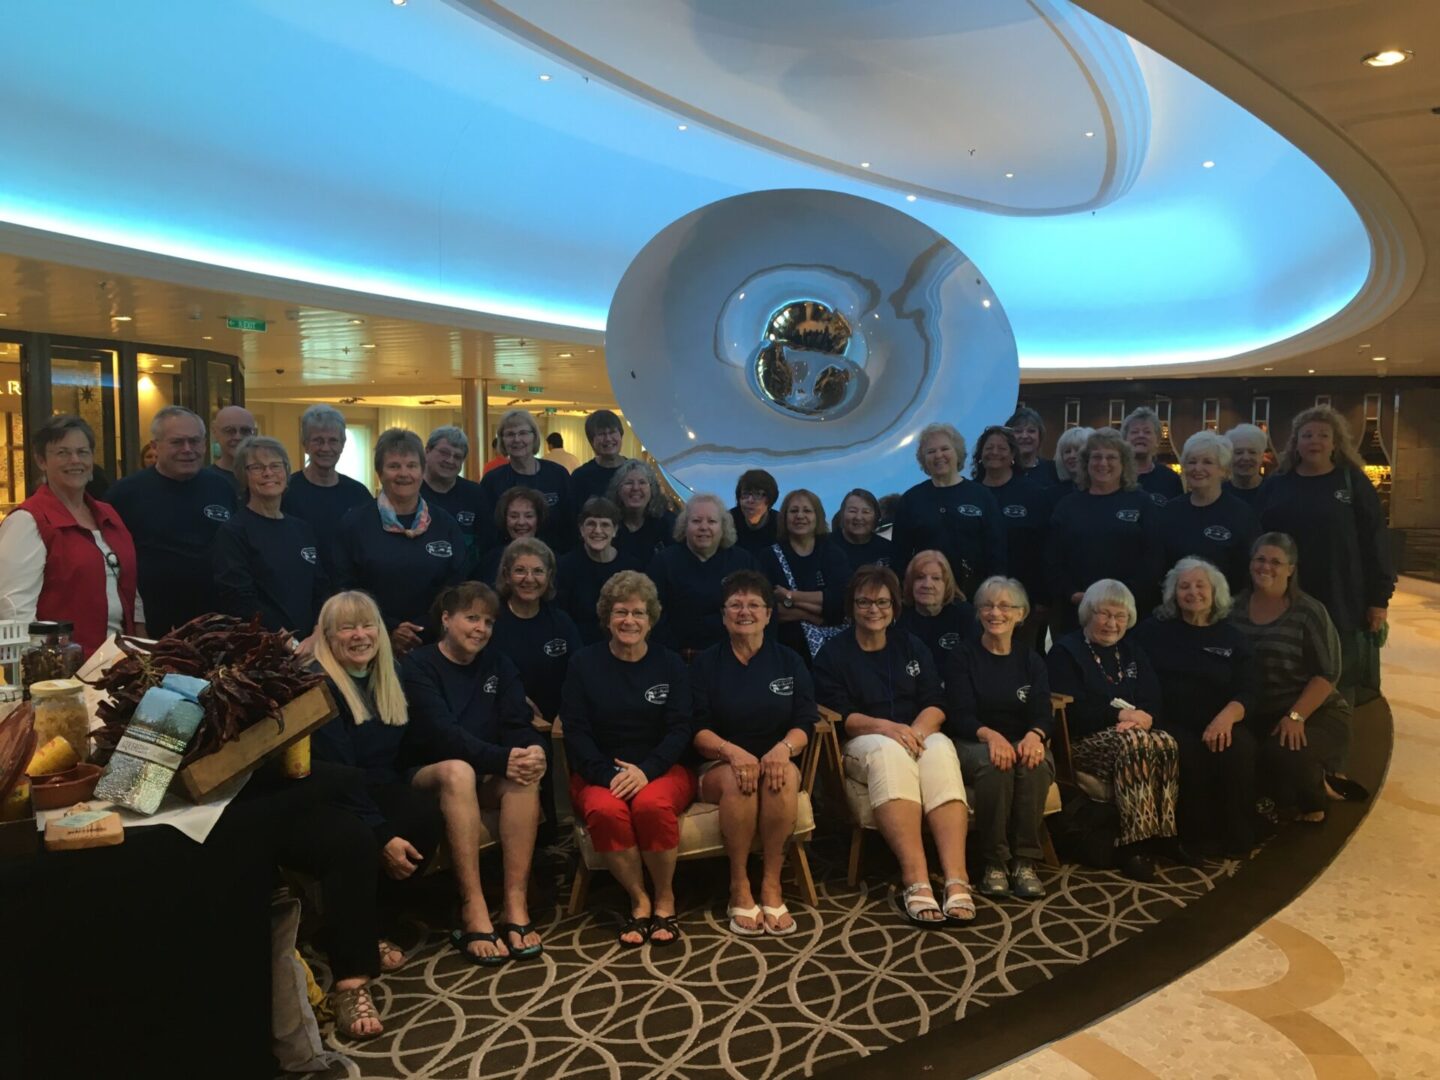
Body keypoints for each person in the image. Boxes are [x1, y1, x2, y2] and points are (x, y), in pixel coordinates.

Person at [812, 565, 974, 925]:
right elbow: (842, 715)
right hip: (862, 739)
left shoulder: (911, 645)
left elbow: (936, 702)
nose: (874, 609)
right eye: (864, 602)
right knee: (889, 753)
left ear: (894, 606)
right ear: (852, 606)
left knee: (940, 748)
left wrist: (915, 731)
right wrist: (888, 728)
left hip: (913, 732)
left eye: (882, 602)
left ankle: (956, 876)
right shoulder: (833, 654)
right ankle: (916, 878)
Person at [401, 582, 548, 962]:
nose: (481, 628)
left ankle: (515, 905)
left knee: (524, 774)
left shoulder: (498, 663)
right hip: (424, 777)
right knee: (459, 771)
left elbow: (518, 722)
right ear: (446, 619)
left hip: (483, 771)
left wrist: (533, 750)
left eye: (488, 621)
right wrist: (502, 759)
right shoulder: (418, 665)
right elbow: (442, 735)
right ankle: (474, 907)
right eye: (471, 618)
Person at [308, 590, 443, 982]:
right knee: (363, 841)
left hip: (377, 783)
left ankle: (380, 921)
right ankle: (359, 936)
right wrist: (382, 833)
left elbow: (408, 744)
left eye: (368, 625)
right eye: (347, 628)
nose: (360, 635)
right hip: (333, 796)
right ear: (328, 637)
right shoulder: (318, 684)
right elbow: (341, 773)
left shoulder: (390, 673)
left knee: (425, 816)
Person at [561, 571, 696, 946]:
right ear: (607, 617)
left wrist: (646, 771)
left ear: (651, 619)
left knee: (651, 805)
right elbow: (576, 731)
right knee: (605, 810)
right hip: (599, 772)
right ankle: (639, 900)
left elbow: (680, 729)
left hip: (663, 769)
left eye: (638, 613)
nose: (629, 621)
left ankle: (665, 898)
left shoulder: (670, 664)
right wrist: (609, 775)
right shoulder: (583, 664)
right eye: (621, 612)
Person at [691, 570, 815, 936]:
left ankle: (772, 884)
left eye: (754, 605)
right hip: (718, 763)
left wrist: (783, 749)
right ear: (723, 615)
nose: (744, 612)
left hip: (775, 758)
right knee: (740, 779)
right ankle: (739, 884)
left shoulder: (789, 661)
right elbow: (696, 730)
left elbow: (806, 721)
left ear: (768, 614)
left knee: (783, 775)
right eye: (735, 605)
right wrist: (732, 753)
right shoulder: (705, 664)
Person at [1260, 405, 1395, 705]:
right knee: (1291, 667)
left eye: (1323, 435)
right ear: (1295, 443)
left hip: (1341, 596)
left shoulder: (1352, 482)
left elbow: (1375, 541)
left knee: (1339, 674)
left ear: (1336, 443)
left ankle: (1339, 723)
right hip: (1288, 595)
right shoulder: (1277, 485)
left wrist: (1379, 599)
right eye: (1307, 435)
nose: (1315, 441)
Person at [1046, 579, 1179, 881]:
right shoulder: (1066, 652)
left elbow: (1152, 696)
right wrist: (1120, 714)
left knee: (1166, 741)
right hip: (1082, 739)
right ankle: (1134, 845)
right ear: (1088, 614)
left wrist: (1144, 718)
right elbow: (1072, 712)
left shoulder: (1132, 650)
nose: (1112, 623)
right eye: (1104, 614)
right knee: (1135, 743)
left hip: (1131, 732)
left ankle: (1165, 835)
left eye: (1120, 616)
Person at [1133, 559, 1258, 857]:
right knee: (1188, 754)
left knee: (1240, 749)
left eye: (1201, 586)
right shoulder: (1152, 632)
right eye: (1184, 586)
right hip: (1169, 719)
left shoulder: (1232, 637)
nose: (1193, 592)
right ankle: (1195, 839)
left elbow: (1251, 689)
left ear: (1215, 592)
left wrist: (1227, 717)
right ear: (1173, 594)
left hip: (1221, 719)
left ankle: (1237, 834)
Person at [1229, 533, 1354, 823]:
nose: (1266, 567)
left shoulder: (1309, 611)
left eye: (1276, 562)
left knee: (1285, 752)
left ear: (1291, 569)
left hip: (1316, 712)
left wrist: (1296, 716)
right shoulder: (1233, 608)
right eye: (1260, 559)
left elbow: (1327, 673)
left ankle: (1315, 799)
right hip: (1259, 712)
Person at [943, 576, 1052, 899]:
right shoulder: (962, 656)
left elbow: (1043, 713)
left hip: (1021, 739)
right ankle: (994, 862)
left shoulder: (1031, 660)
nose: (995, 613)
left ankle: (1024, 861)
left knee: (1035, 763)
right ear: (978, 612)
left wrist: (1035, 736)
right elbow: (960, 715)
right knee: (995, 764)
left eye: (1005, 606)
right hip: (973, 740)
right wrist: (991, 737)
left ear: (1021, 614)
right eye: (987, 606)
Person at [0, 414, 140, 655]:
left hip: (121, 658)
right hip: (66, 667)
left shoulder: (108, 514)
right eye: (62, 453)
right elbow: (14, 612)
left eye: (82, 452)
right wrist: (39, 669)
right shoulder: (27, 521)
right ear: (41, 461)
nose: (75, 460)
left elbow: (129, 586)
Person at [332, 428, 468, 656]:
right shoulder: (354, 524)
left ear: (422, 470)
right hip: (369, 642)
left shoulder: (445, 524)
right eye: (394, 466)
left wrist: (422, 628)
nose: (404, 473)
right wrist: (390, 628)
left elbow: (456, 586)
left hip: (435, 644)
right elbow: (344, 586)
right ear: (379, 472)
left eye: (412, 465)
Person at [106, 405, 236, 635]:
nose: (188, 449)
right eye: (177, 442)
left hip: (217, 623)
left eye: (194, 441)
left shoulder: (222, 487)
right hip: (152, 624)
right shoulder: (125, 494)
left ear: (204, 444)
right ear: (155, 446)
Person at [1046, 427, 1164, 633]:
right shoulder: (1067, 506)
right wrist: (1071, 593)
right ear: (1086, 463)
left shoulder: (1142, 503)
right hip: (1077, 610)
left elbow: (1154, 557)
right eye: (1096, 457)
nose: (1103, 463)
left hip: (1128, 610)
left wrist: (1121, 596)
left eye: (1111, 457)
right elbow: (1052, 558)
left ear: (1124, 463)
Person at [213, 436, 327, 641]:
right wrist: (285, 640)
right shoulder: (234, 532)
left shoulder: (302, 530)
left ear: (286, 471)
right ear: (243, 475)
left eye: (275, 466)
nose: (268, 473)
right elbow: (240, 599)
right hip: (263, 645)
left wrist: (318, 633)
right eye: (257, 467)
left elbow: (320, 588)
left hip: (312, 643)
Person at [889, 421, 1005, 599]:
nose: (938, 455)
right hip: (926, 596)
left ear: (957, 453)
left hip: (974, 596)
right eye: (931, 451)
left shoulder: (982, 496)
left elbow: (997, 551)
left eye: (945, 449)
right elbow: (899, 556)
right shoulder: (911, 500)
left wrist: (994, 593)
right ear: (923, 460)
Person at [647, 493, 757, 659]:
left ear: (723, 527)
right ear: (684, 526)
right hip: (676, 657)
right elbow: (652, 612)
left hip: (733, 656)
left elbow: (760, 608)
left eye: (712, 521)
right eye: (696, 521)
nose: (704, 527)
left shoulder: (743, 561)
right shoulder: (664, 562)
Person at [489, 538, 581, 725]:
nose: (529, 579)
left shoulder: (561, 622)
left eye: (538, 571)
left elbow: (579, 675)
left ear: (549, 576)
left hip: (557, 724)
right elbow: (479, 677)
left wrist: (567, 713)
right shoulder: (491, 622)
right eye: (520, 570)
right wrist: (516, 700)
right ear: (506, 575)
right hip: (502, 720)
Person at [1157, 431, 1260, 596]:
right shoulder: (1170, 511)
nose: (1198, 468)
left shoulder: (1241, 514)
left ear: (1223, 470)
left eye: (1207, 462)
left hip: (1227, 606)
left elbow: (1249, 572)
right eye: (1192, 462)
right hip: (1176, 603)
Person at [973, 425, 1050, 646]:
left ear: (1013, 454)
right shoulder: (970, 493)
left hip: (1024, 595)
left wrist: (1042, 597)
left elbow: (1044, 547)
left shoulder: (1033, 494)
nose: (995, 452)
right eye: (989, 448)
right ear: (980, 455)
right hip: (978, 597)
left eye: (1002, 448)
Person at [756, 489, 851, 663]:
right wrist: (811, 615)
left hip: (830, 654)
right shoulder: (768, 557)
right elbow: (769, 610)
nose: (800, 516)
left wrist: (790, 596)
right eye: (794, 511)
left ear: (817, 516)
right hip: (785, 652)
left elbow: (841, 606)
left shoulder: (834, 554)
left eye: (807, 510)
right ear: (784, 517)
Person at [281, 405, 373, 582]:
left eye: (333, 441)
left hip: (347, 589)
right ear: (305, 445)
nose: (325, 448)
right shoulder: (286, 490)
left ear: (342, 445)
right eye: (318, 440)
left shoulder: (358, 493)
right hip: (299, 585)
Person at [478, 409, 575, 553]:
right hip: (508, 559)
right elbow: (487, 532)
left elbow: (570, 525)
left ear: (534, 437)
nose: (517, 439)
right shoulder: (492, 481)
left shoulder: (558, 475)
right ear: (502, 440)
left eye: (523, 433)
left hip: (555, 559)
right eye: (510, 434)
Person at [557, 497, 643, 645]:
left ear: (615, 530)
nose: (597, 530)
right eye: (591, 524)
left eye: (605, 525)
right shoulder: (565, 566)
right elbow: (562, 618)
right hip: (578, 646)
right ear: (581, 529)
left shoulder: (632, 567)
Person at [421, 426, 491, 561]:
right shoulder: (410, 492)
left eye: (457, 457)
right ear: (427, 452)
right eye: (444, 453)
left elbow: (486, 543)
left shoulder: (475, 494)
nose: (450, 460)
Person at [897, 550, 977, 670]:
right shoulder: (897, 615)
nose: (927, 585)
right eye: (920, 577)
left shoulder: (965, 615)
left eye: (936, 578)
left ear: (947, 584)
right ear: (910, 583)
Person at [475, 486, 547, 586]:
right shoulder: (490, 561)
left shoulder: (550, 558)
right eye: (514, 516)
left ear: (538, 520)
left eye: (529, 516)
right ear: (505, 519)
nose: (521, 522)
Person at [608, 459, 676, 562]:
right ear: (618, 490)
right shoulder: (607, 523)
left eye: (642, 482)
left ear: (652, 490)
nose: (635, 488)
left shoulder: (668, 523)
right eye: (629, 483)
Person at [1122, 406, 1183, 505]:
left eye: (1147, 432)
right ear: (1125, 439)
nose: (1141, 435)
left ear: (1157, 440)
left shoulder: (1170, 479)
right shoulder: (1114, 477)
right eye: (1134, 432)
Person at [570, 409, 628, 505]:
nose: (608, 439)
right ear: (591, 440)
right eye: (601, 434)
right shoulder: (580, 476)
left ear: (621, 435)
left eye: (612, 432)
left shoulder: (635, 471)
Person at [832, 488, 895, 573]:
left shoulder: (887, 549)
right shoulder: (826, 547)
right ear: (842, 514)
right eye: (852, 511)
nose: (858, 517)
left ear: (876, 517)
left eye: (866, 512)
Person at [1007, 406, 1060, 490]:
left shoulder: (1053, 470)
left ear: (1040, 435)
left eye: (1031, 431)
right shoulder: (1001, 470)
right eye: (1018, 431)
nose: (1024, 436)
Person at [730, 469, 780, 557]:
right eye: (745, 494)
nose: (750, 500)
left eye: (757, 494)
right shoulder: (727, 522)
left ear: (770, 499)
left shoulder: (781, 524)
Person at [1222, 423, 1271, 512]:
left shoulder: (1274, 492)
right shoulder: (1218, 494)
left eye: (1252, 452)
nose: (1246, 458)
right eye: (1239, 452)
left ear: (1261, 456)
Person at [208, 404, 258, 480]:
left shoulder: (267, 478)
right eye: (230, 430)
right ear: (215, 433)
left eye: (245, 431)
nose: (238, 437)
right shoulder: (206, 481)